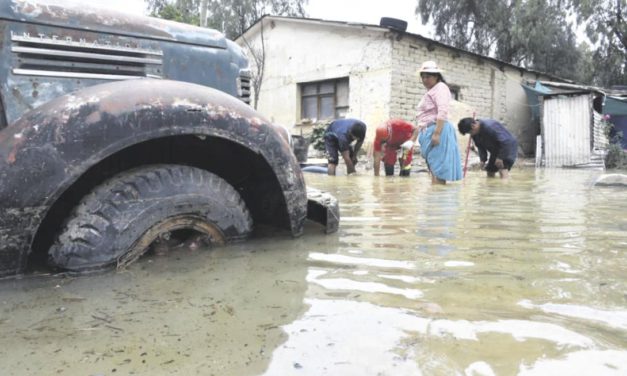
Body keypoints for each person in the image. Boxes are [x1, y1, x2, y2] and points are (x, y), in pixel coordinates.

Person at [415, 61, 462, 184]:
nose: (425, 80)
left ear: (436, 76)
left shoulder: (440, 88)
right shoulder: (432, 91)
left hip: (438, 130)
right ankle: (435, 199)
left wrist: (437, 133)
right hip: (430, 130)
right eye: (423, 77)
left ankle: (439, 198)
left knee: (438, 168)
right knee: (434, 166)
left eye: (428, 76)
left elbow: (442, 111)